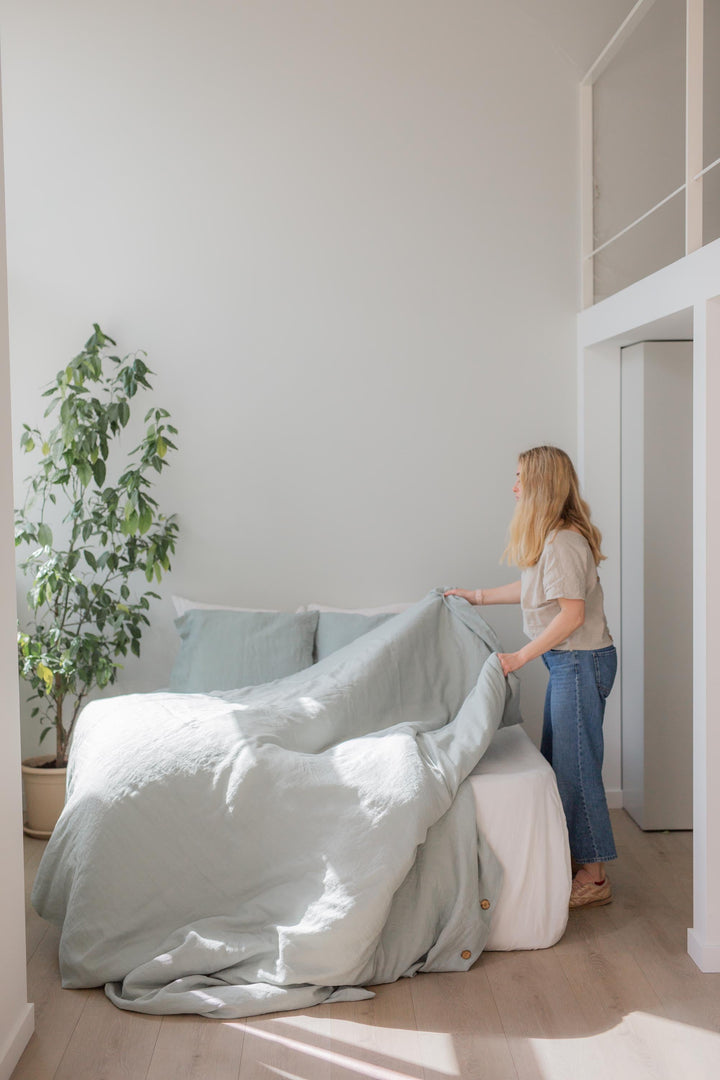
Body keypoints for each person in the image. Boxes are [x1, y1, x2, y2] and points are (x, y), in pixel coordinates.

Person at [445, 445, 617, 910]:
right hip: (570, 662)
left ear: (541, 484)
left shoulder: (563, 542)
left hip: (579, 661)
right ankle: (580, 860)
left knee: (576, 768)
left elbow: (571, 615)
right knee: (561, 761)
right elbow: (533, 589)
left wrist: (518, 657)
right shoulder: (553, 538)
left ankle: (595, 876)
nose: (514, 486)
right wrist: (476, 596)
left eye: (521, 477)